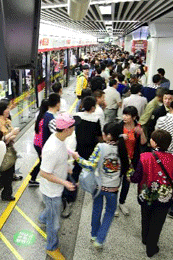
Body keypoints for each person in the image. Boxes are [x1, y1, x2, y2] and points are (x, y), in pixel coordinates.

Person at [71, 122, 130, 250]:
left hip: (98, 187)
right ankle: (100, 239)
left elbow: (90, 165)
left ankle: (93, 235)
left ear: (108, 136)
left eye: (103, 133)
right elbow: (128, 168)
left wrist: (78, 158)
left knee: (96, 210)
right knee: (109, 213)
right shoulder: (122, 149)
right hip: (113, 189)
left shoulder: (100, 147)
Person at [131, 130, 173, 258]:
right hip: (164, 198)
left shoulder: (144, 157)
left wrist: (131, 176)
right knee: (157, 222)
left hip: (146, 195)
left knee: (145, 217)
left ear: (154, 143)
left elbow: (136, 177)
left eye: (151, 139)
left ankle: (145, 238)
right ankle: (151, 248)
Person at [39, 114, 78, 260]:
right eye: (73, 125)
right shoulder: (52, 149)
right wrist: (65, 182)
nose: (74, 127)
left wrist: (71, 154)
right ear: (67, 129)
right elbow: (43, 173)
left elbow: (62, 149)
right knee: (54, 224)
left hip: (55, 188)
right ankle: (51, 247)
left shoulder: (59, 138)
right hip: (51, 192)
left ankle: (42, 217)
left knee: (50, 212)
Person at [118, 106, 147, 216]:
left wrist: (142, 132)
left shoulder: (138, 127)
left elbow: (143, 143)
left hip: (132, 161)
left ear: (134, 117)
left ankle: (122, 202)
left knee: (127, 182)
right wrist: (121, 136)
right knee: (116, 182)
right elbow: (112, 139)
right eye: (124, 114)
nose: (124, 117)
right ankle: (112, 204)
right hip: (119, 159)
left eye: (127, 115)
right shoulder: (119, 126)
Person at [29, 94, 61, 187]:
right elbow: (45, 136)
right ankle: (33, 177)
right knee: (43, 162)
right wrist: (44, 150)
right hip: (40, 144)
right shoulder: (47, 118)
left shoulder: (40, 116)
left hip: (37, 142)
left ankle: (33, 176)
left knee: (42, 161)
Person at [0, 100, 20, 201]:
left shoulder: (7, 120)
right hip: (2, 151)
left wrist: (9, 136)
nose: (9, 110)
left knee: (9, 173)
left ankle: (6, 193)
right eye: (7, 108)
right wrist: (11, 134)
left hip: (8, 148)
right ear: (1, 110)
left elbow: (12, 136)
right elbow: (0, 140)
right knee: (5, 174)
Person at [72, 96, 102, 182]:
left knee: (77, 168)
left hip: (79, 146)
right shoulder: (95, 119)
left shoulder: (77, 116)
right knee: (90, 167)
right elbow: (99, 135)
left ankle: (73, 184)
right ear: (93, 108)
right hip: (91, 149)